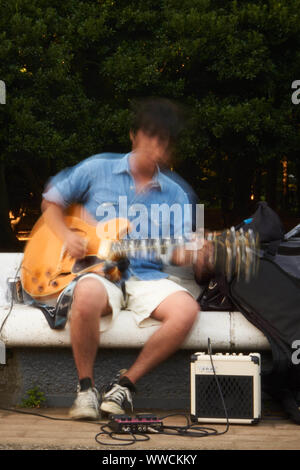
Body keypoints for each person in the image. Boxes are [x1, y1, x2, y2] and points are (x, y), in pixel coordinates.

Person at [41, 98, 206, 420]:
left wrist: (195, 252)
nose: (155, 146)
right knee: (86, 295)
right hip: (101, 272)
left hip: (147, 276)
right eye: (150, 135)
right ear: (134, 135)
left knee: (186, 310)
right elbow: (51, 202)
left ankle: (125, 385)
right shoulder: (97, 168)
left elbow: (176, 252)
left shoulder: (178, 192)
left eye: (163, 140)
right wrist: (67, 236)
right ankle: (86, 389)